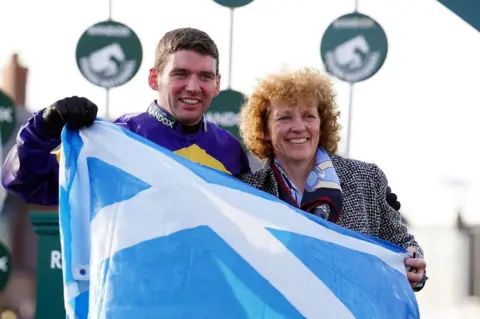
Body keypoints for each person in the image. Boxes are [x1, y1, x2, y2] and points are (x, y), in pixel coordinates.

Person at [1, 27, 251, 206]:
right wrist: (45, 126)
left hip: (206, 280)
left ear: (217, 84)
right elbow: (27, 182)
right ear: (155, 78)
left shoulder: (228, 149)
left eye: (205, 76)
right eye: (180, 74)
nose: (193, 87)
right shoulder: (118, 138)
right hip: (131, 280)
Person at [237, 67, 427, 291]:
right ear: (265, 129)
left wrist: (415, 265)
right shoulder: (245, 193)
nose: (299, 127)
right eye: (284, 117)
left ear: (322, 123)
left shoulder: (366, 180)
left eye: (309, 116)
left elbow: (402, 244)